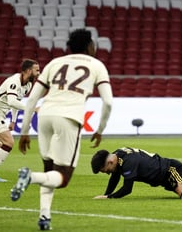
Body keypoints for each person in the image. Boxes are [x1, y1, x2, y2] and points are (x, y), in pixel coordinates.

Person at [9, 29, 113, 231]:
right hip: (68, 118)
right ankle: (29, 177)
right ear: (90, 46)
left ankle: (44, 217)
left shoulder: (54, 63)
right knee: (62, 178)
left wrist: (24, 132)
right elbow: (108, 102)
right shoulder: (96, 65)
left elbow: (31, 99)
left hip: (45, 116)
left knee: (50, 173)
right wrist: (100, 129)